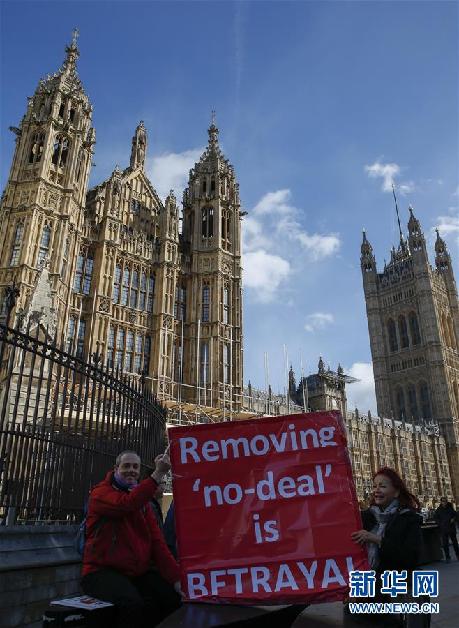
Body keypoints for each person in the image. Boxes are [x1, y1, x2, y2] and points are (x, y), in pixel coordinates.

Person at [81, 450, 181, 627]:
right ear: (116, 468)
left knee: (171, 597)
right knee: (132, 605)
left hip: (134, 573)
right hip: (101, 572)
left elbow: (157, 544)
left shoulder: (143, 503)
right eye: (126, 466)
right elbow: (127, 504)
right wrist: (158, 473)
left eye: (135, 467)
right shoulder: (100, 494)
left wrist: (176, 579)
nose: (131, 470)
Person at [351, 467, 424, 626]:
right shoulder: (364, 518)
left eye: (383, 486)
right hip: (365, 593)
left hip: (394, 594)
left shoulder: (408, 519)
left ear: (396, 492)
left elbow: (411, 557)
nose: (377, 490)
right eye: (375, 486)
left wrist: (377, 540)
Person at [434, 496, 459, 562]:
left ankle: (458, 555)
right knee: (445, 544)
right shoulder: (439, 509)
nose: (444, 502)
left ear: (447, 501)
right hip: (444, 529)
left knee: (455, 543)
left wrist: (454, 519)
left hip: (451, 528)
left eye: (445, 501)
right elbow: (435, 518)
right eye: (443, 501)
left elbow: (456, 515)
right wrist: (440, 523)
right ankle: (447, 557)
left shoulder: (450, 508)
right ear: (441, 502)